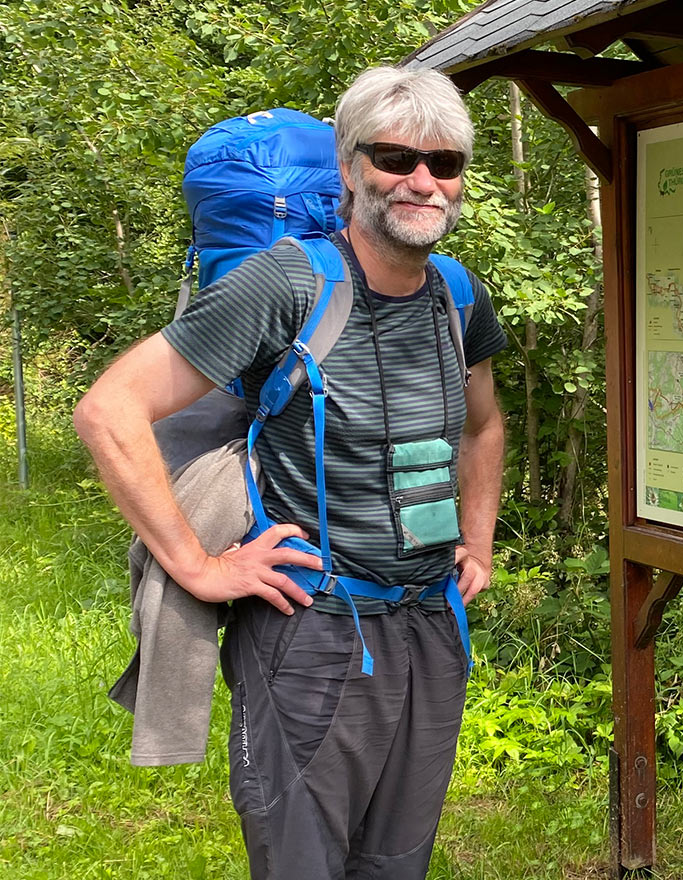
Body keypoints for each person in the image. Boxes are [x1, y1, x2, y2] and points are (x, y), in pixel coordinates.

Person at [74, 66, 508, 879]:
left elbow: (483, 426)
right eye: (395, 157)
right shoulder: (289, 282)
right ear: (349, 167)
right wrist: (200, 567)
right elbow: (110, 410)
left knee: (399, 862)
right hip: (313, 631)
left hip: (430, 626)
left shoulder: (457, 294)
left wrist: (476, 541)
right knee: (301, 862)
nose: (422, 181)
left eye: (444, 163)